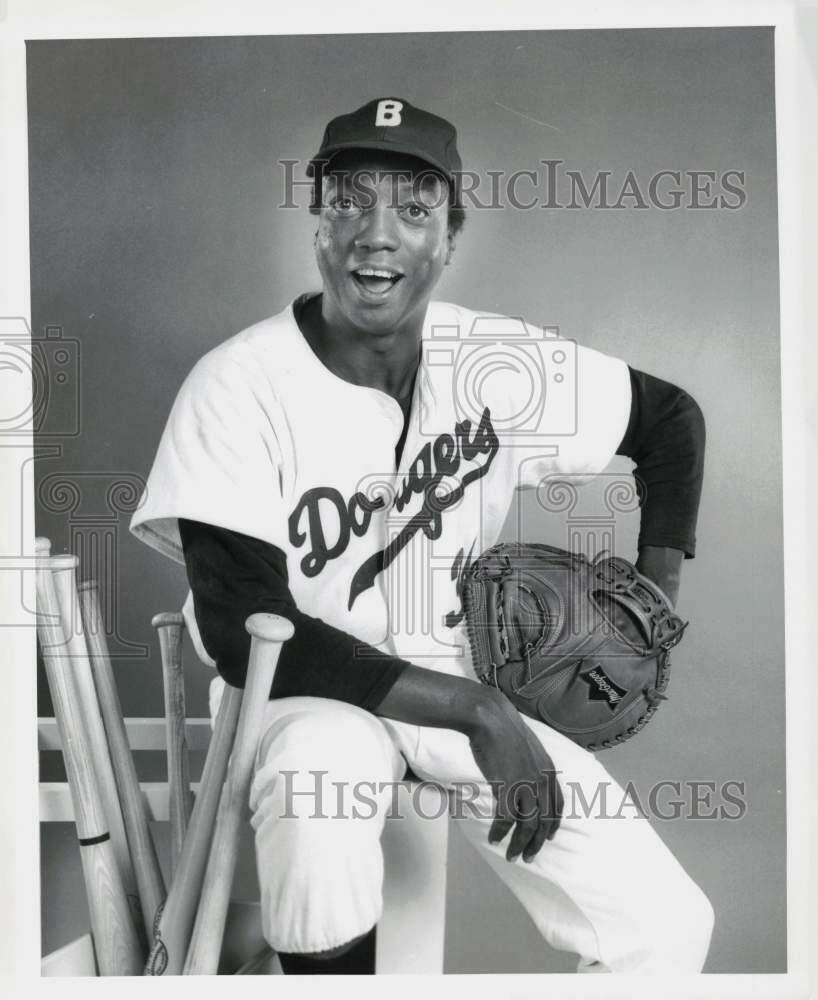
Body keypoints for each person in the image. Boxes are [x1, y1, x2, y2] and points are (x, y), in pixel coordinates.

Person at [131, 96, 713, 975]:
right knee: (314, 796)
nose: (377, 233)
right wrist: (480, 712)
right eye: (350, 202)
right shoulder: (237, 385)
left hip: (453, 678)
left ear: (451, 236)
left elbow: (670, 420)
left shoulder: (494, 359)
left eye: (413, 209)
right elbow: (243, 632)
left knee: (666, 926)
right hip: (302, 700)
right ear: (316, 228)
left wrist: (651, 600)